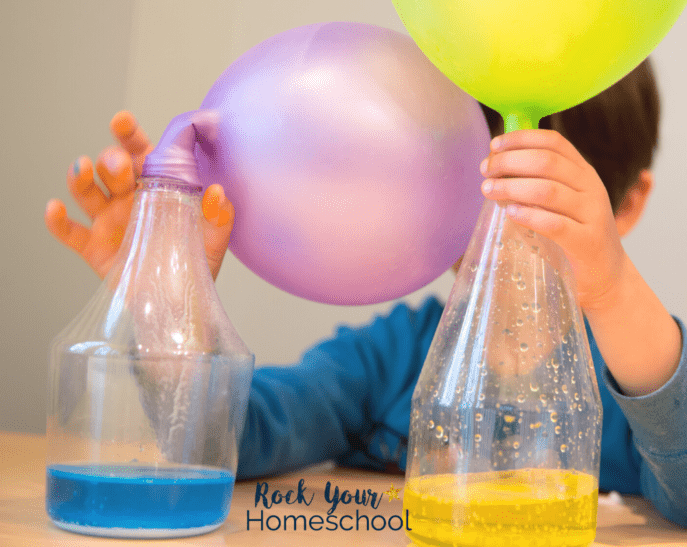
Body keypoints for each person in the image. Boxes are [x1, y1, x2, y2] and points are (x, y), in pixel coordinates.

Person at [45, 59, 687, 526]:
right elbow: (238, 442)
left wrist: (612, 286)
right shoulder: (390, 357)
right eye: (469, 179)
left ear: (624, 203)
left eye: (541, 192)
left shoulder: (638, 362)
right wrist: (167, 290)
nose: (499, 221)